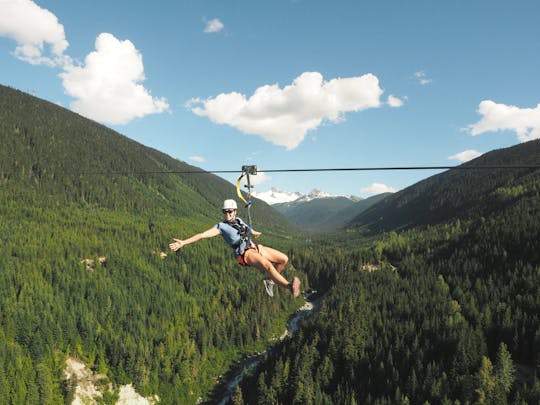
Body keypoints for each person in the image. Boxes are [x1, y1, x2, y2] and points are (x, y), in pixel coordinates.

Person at [169, 199, 301, 298]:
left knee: (283, 259)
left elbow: (246, 228)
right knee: (268, 266)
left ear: (235, 211)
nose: (227, 214)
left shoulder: (238, 220)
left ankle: (270, 281)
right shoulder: (220, 227)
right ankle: (289, 286)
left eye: (229, 211)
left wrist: (253, 232)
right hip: (244, 253)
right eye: (224, 211)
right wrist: (184, 242)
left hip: (254, 247)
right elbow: (202, 235)